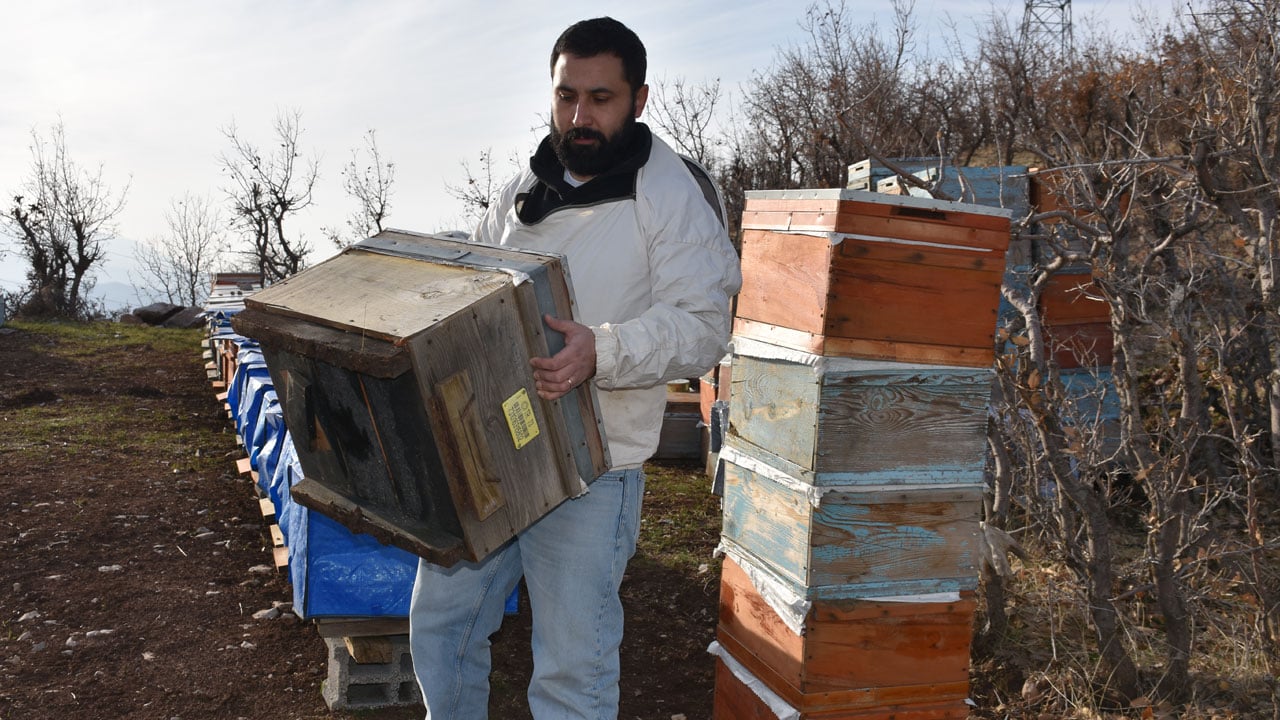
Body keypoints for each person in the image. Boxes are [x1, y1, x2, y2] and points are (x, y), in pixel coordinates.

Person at [408, 16, 741, 720]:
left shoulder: (673, 195)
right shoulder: (523, 186)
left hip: (594, 468)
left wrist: (603, 351)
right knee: (442, 622)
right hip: (498, 448)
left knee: (571, 669)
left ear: (640, 99)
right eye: (566, 97)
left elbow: (705, 327)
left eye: (600, 98)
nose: (580, 116)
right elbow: (478, 297)